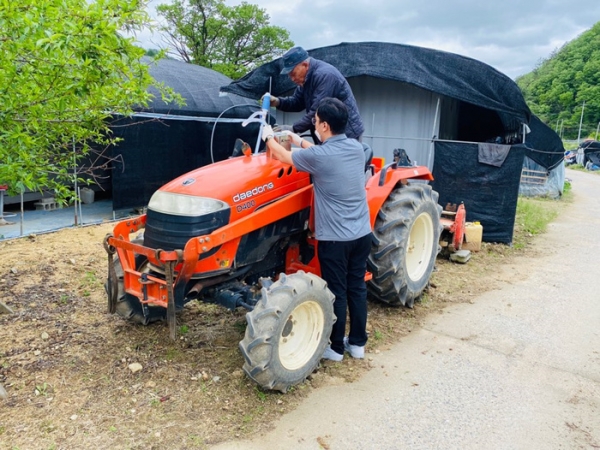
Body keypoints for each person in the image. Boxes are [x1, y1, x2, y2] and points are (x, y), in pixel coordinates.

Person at [262, 97, 372, 362]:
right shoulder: (356, 149)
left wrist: (269, 137)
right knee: (357, 287)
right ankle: (357, 344)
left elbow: (283, 156)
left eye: (315, 120)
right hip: (362, 234)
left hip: (336, 238)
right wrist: (296, 138)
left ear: (323, 125)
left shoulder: (320, 156)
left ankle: (334, 348)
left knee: (337, 290)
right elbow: (317, 152)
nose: (314, 124)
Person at [266, 46, 364, 142]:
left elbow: (317, 112)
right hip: (327, 134)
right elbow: (297, 102)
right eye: (289, 75)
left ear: (305, 65)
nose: (292, 78)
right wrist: (277, 102)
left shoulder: (325, 76)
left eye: (293, 73)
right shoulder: (305, 80)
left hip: (345, 135)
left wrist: (293, 128)